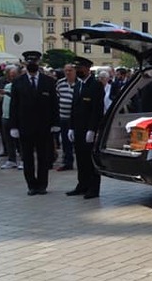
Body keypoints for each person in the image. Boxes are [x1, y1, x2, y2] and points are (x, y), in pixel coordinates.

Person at [8, 52, 59, 195]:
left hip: (44, 127)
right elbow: (14, 105)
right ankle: (31, 185)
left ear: (38, 63)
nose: (32, 64)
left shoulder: (48, 81)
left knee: (44, 157)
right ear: (25, 63)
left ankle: (42, 185)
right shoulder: (18, 82)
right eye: (29, 61)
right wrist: (14, 126)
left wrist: (56, 123)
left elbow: (54, 104)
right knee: (27, 158)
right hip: (25, 126)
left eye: (34, 62)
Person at [67, 57, 104, 199]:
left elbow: (97, 109)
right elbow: (74, 108)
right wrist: (71, 127)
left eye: (80, 68)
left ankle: (93, 188)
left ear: (88, 69)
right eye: (76, 68)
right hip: (78, 128)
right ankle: (82, 185)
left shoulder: (95, 85)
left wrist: (92, 129)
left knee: (90, 160)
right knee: (81, 159)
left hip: (89, 128)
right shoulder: (77, 85)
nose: (78, 71)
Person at [0, 65, 21, 170]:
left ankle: (23, 159)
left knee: (20, 140)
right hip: (5, 115)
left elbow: (18, 98)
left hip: (17, 117)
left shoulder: (21, 86)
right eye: (10, 75)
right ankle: (11, 160)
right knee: (8, 139)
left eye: (14, 75)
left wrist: (7, 94)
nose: (12, 77)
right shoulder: (7, 85)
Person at [56, 64, 77, 171]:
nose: (68, 73)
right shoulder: (60, 83)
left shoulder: (79, 83)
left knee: (77, 141)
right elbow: (57, 98)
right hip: (63, 117)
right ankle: (67, 162)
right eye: (66, 71)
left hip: (76, 118)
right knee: (65, 141)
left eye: (70, 70)